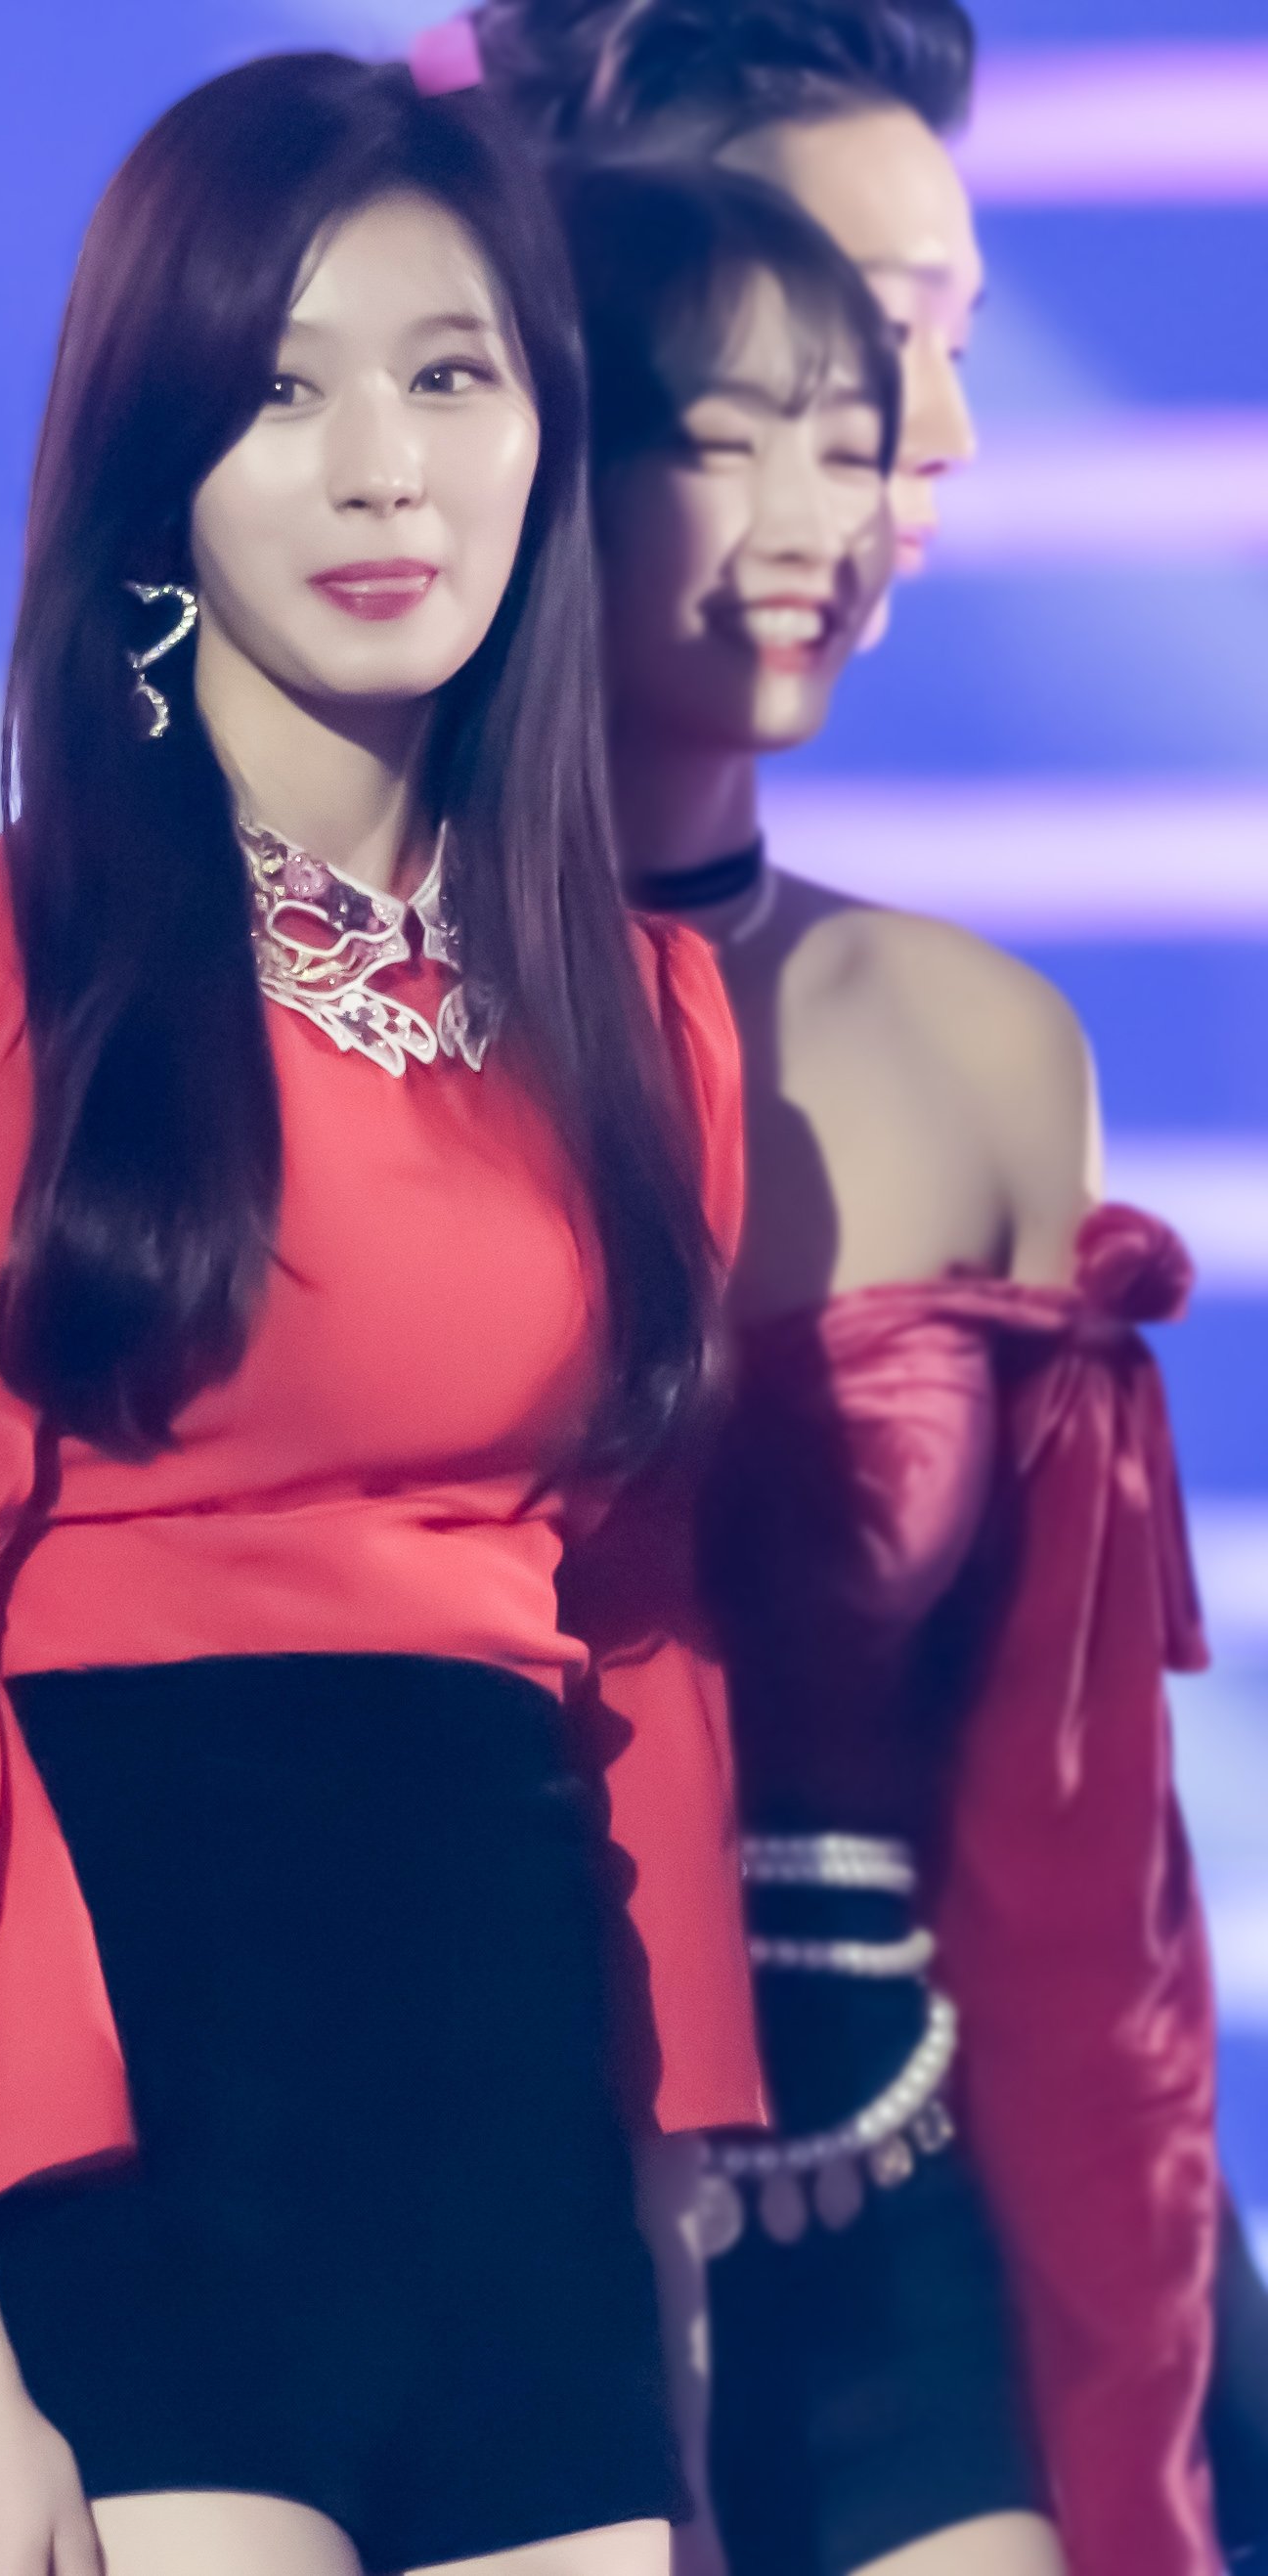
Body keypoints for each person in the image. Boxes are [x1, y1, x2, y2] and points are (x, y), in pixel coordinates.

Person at [0, 52, 762, 2576]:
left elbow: (640, 1636)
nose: (381, 472)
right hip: (112, 2129)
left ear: (545, 435)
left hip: (507, 2138)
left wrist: (666, 2220)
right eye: (279, 390)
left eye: (448, 375)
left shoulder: (647, 1023)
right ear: (155, 469)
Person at [415, 2, 1241, 2557]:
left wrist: (1145, 2439)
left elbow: (1074, 1856)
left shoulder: (977, 1046)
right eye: (815, 363)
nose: (908, 456)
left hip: (890, 2222)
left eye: (891, 389)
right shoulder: (296, 1024)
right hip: (428, 2218)